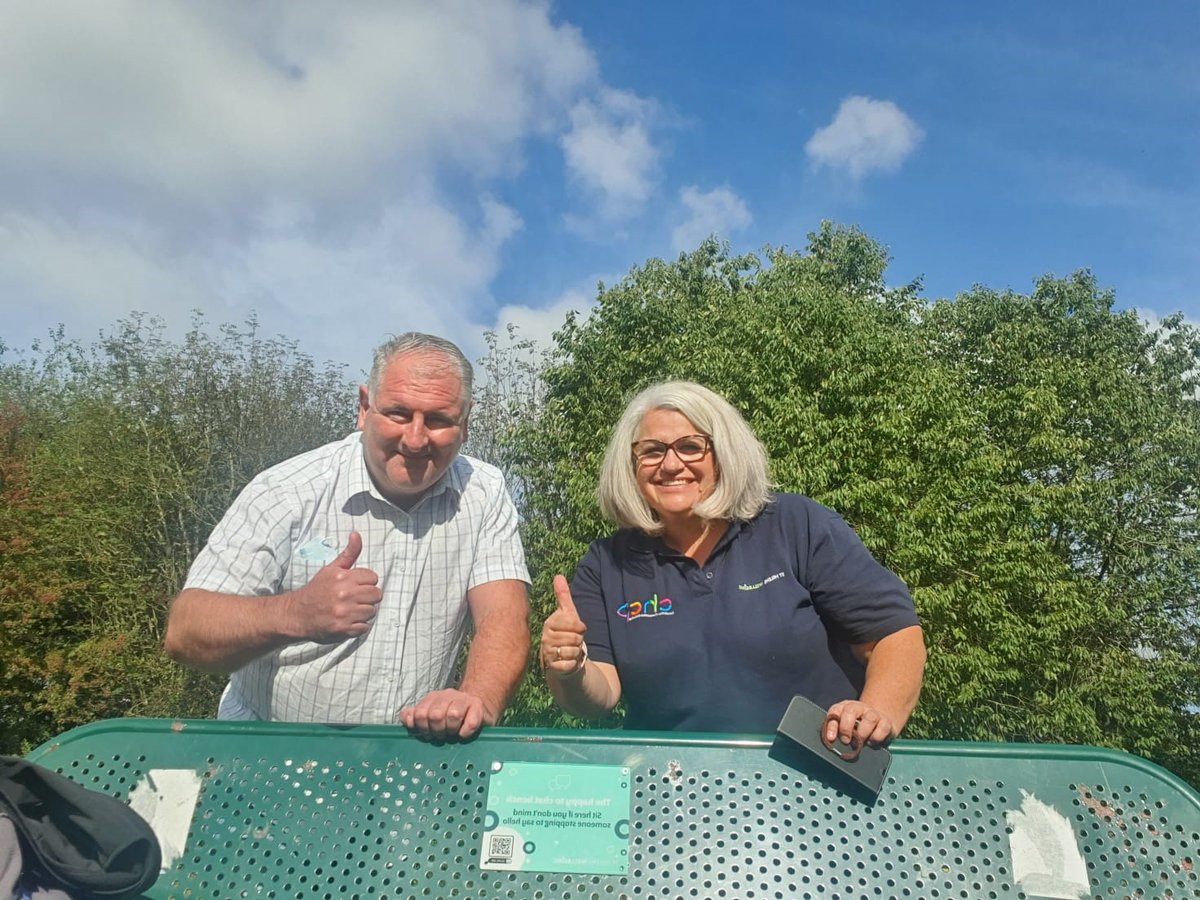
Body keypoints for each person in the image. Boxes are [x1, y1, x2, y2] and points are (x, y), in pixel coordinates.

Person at [165, 332, 530, 740]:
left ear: (466, 423)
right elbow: (186, 629)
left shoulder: (484, 492)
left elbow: (503, 618)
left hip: (411, 758)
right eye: (397, 413)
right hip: (268, 749)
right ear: (363, 408)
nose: (415, 438)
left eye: (439, 420)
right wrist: (296, 614)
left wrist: (475, 700)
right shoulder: (286, 490)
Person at [540, 381, 925, 754]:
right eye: (652, 450)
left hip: (817, 785)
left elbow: (892, 636)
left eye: (691, 447)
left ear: (724, 453)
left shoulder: (795, 524)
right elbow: (600, 694)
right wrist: (569, 669)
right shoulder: (607, 562)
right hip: (669, 791)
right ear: (631, 464)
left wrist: (875, 712)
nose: (671, 464)